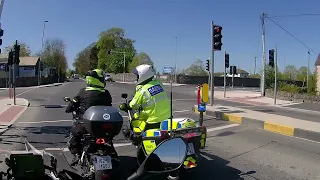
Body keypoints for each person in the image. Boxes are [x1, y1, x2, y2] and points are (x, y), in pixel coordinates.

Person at [65, 69, 113, 165]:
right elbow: (109, 106)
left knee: (73, 137)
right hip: (103, 124)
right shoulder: (106, 93)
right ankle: (112, 153)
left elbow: (73, 103)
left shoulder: (83, 92)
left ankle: (76, 156)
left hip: (86, 125)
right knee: (108, 139)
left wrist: (69, 108)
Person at [120, 64, 171, 134]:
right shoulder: (158, 84)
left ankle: (137, 140)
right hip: (168, 119)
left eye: (137, 76)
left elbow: (133, 105)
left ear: (142, 76)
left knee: (137, 124)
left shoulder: (142, 90)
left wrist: (126, 106)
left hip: (153, 122)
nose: (137, 78)